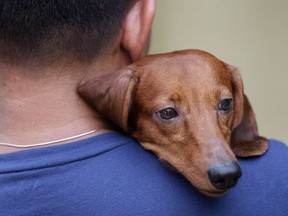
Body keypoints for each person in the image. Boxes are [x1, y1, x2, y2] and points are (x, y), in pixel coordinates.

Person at [0, 0, 287, 215]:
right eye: (168, 113)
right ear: (139, 20)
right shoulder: (279, 175)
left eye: (224, 105)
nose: (226, 166)